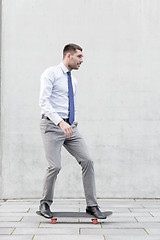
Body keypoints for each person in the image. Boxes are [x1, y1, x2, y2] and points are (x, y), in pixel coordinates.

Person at [39, 43, 106, 219]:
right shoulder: (51, 74)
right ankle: (45, 203)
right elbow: (44, 102)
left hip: (71, 128)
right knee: (55, 166)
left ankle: (92, 205)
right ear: (69, 56)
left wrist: (71, 123)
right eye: (79, 57)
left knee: (87, 161)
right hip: (52, 126)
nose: (82, 60)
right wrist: (61, 123)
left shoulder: (73, 80)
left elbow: (69, 104)